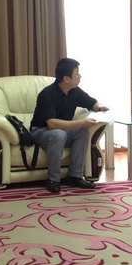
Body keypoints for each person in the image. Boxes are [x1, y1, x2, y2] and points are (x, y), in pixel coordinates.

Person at [30, 58, 109, 193]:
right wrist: (81, 122)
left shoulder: (75, 91)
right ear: (66, 78)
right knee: (59, 134)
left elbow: (92, 103)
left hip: (62, 131)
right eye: (77, 73)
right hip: (41, 131)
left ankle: (74, 176)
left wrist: (101, 107)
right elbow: (52, 124)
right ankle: (53, 179)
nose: (80, 76)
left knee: (82, 131)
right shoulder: (47, 94)